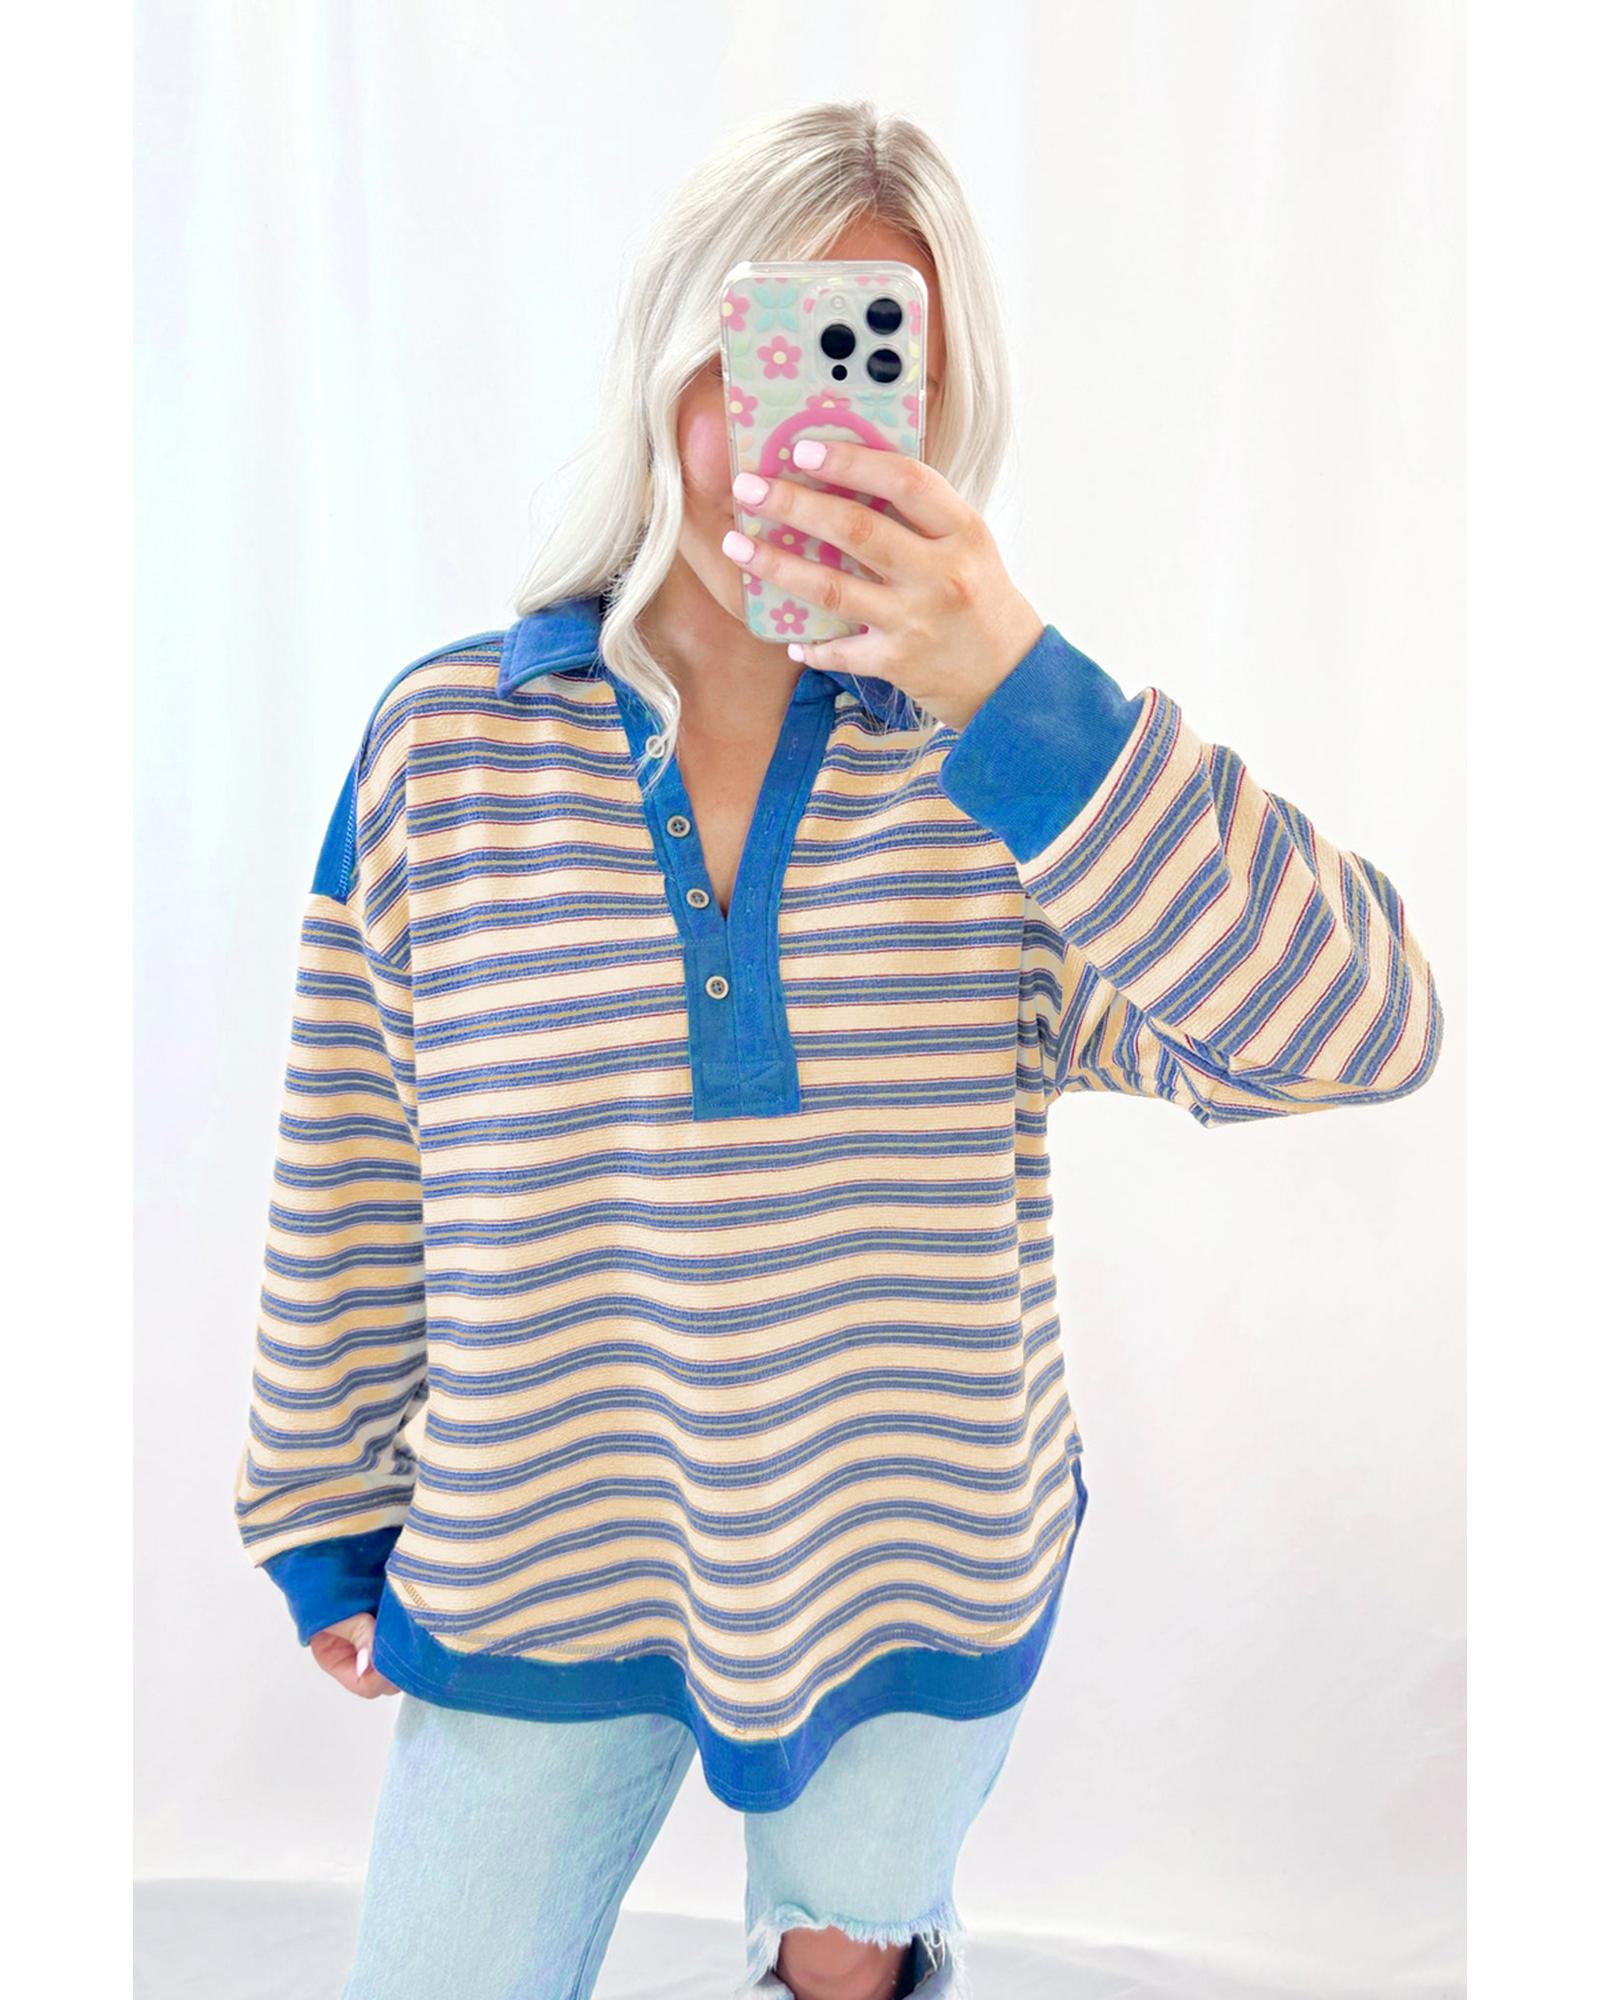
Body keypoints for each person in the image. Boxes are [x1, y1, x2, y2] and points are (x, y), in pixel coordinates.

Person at [232, 99, 1443, 2000]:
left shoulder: (1017, 782)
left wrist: (1024, 691)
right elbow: (356, 1152)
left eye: (869, 373)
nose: (791, 434)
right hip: (539, 1552)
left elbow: (1358, 1026)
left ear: (939, 425)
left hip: (914, 1562)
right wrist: (320, 1501)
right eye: (756, 353)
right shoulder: (448, 751)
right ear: (665, 366)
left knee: (843, 1975)